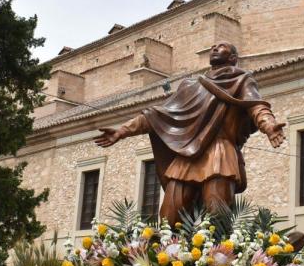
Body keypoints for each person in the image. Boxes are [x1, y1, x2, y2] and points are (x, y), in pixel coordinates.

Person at [94, 42, 285, 224]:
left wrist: (269, 126)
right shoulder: (191, 85)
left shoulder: (242, 80)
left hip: (219, 152)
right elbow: (158, 115)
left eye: (221, 47)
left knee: (217, 216)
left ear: (234, 57)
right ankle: (168, 256)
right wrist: (121, 131)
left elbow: (256, 106)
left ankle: (219, 256)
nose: (214, 48)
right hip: (188, 155)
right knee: (170, 216)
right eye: (213, 47)